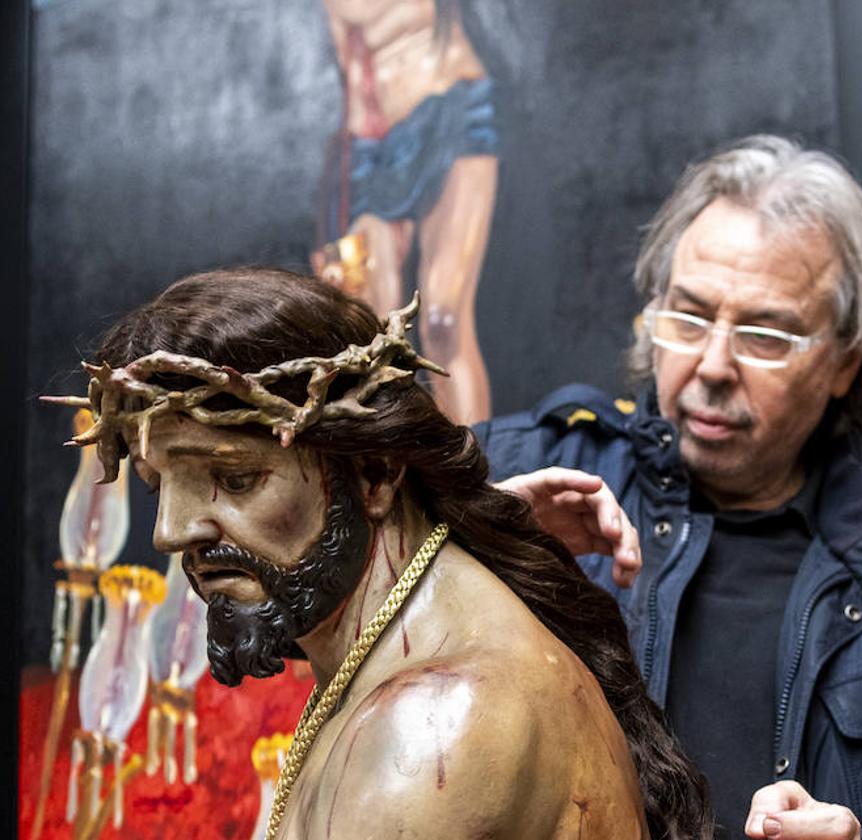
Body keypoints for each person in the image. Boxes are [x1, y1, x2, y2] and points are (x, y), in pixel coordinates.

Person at [476, 136, 862, 838]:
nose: (711, 364)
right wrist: (462, 541)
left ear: (843, 366)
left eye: (765, 334)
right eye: (689, 315)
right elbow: (326, 618)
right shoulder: (518, 467)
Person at [51, 269, 711, 839]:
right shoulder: (401, 646)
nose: (170, 531)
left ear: (373, 473)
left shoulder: (431, 729)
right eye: (158, 483)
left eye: (235, 478)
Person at [314, 0, 497, 424]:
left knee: (443, 321)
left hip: (449, 110)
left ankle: (476, 484)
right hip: (365, 146)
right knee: (367, 338)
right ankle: (398, 481)